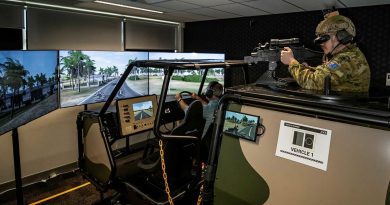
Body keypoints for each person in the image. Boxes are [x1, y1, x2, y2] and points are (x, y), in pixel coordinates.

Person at [280, 11, 371, 93]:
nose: (321, 44)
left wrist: (291, 62)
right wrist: (304, 68)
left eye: (324, 39)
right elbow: (325, 73)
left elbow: (314, 83)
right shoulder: (349, 54)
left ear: (341, 36)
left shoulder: (346, 59)